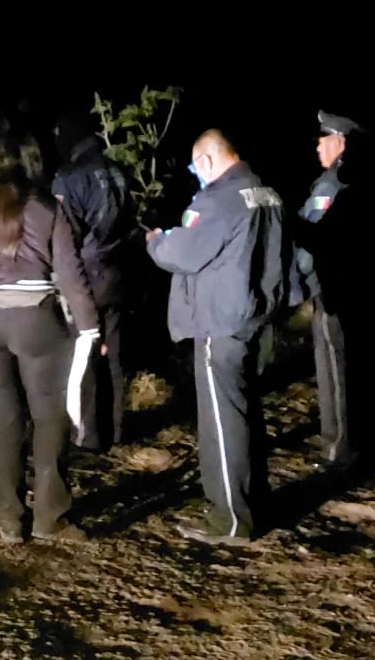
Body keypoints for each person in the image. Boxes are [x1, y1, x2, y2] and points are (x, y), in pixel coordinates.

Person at [0, 130, 101, 545]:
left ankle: (8, 519)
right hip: (36, 323)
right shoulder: (48, 207)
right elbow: (70, 275)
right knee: (48, 416)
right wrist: (90, 327)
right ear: (35, 164)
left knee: (0, 418)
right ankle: (50, 518)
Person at [145, 129, 288, 546]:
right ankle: (252, 503)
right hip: (256, 317)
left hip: (219, 322)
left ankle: (228, 519)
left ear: (206, 161)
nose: (195, 176)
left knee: (222, 422)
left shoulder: (217, 200)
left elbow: (182, 254)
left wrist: (158, 242)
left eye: (195, 167)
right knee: (245, 413)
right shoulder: (267, 194)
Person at [290, 110, 375, 470]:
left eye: (322, 137)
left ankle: (340, 445)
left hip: (338, 289)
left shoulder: (334, 184)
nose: (317, 144)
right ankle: (369, 438)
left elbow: (315, 234)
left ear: (340, 142)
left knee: (337, 367)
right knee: (364, 364)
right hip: (367, 287)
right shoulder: (369, 178)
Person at [51, 110, 134, 452]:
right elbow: (128, 220)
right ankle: (115, 429)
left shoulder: (69, 178)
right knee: (112, 355)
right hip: (115, 272)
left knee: (81, 357)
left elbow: (65, 236)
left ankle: (85, 435)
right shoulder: (116, 172)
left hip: (85, 277)